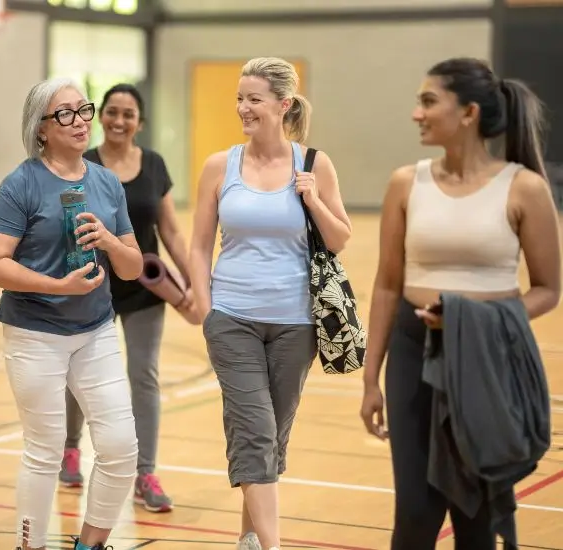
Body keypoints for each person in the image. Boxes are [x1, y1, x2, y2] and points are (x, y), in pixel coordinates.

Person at [359, 57, 561, 550]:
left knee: (477, 514)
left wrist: (478, 319)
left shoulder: (525, 188)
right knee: (414, 512)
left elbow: (548, 288)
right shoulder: (406, 182)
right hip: (413, 350)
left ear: (468, 112)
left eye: (429, 101)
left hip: (487, 356)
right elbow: (387, 284)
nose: (416, 113)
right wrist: (370, 379)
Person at [189, 57, 352, 550]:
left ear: (283, 105)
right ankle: (273, 546)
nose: (243, 108)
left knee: (271, 439)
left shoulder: (314, 164)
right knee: (255, 432)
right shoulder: (220, 165)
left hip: (296, 324)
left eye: (253, 99)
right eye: (239, 98)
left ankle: (248, 538)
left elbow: (341, 237)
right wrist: (204, 304)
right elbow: (198, 244)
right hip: (232, 317)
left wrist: (314, 200)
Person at [0, 77, 143, 550]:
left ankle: (90, 544)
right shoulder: (22, 183)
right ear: (42, 128)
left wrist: (110, 241)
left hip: (96, 331)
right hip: (35, 333)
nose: (80, 120)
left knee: (119, 448)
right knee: (45, 451)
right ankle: (31, 545)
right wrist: (56, 285)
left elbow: (132, 268)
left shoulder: (106, 182)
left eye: (83, 109)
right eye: (65, 113)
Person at [60, 83, 193, 513]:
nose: (119, 120)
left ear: (140, 121)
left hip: (143, 286)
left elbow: (170, 230)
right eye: (112, 112)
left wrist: (192, 283)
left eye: (128, 114)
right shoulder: (83, 163)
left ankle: (146, 473)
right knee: (77, 371)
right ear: (101, 116)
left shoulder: (153, 164)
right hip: (90, 283)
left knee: (143, 376)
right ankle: (70, 449)